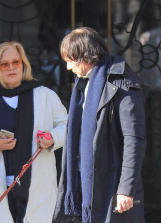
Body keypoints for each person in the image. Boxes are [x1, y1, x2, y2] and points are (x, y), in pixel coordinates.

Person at [0, 41, 68, 223]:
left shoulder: (45, 96)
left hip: (37, 187)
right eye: (5, 64)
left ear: (23, 64)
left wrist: (52, 139)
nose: (11, 67)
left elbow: (67, 126)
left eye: (16, 62)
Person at [53, 27, 146, 223]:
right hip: (81, 183)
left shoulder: (122, 82)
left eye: (70, 61)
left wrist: (126, 189)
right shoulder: (82, 85)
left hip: (110, 186)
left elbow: (134, 139)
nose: (68, 68)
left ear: (84, 56)